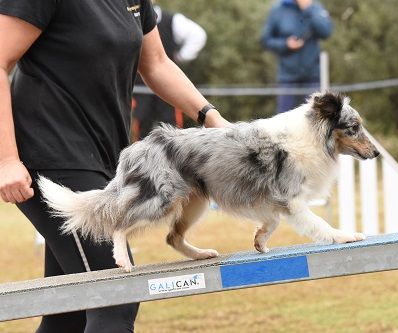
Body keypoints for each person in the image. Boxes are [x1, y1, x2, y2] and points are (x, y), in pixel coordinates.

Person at [0, 0, 229, 332]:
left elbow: (157, 64)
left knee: (70, 314)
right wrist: (7, 159)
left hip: (104, 160)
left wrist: (211, 117)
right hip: (50, 156)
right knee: (116, 299)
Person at [133, 2, 207, 139]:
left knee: (172, 126)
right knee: (141, 122)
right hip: (140, 85)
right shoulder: (132, 16)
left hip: (167, 83)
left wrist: (179, 57)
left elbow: (198, 35)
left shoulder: (172, 20)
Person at [261, 0, 333, 113]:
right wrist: (285, 44)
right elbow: (266, 40)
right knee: (283, 121)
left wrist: (308, 8)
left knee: (314, 118)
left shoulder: (314, 7)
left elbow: (326, 31)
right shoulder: (278, 9)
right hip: (287, 78)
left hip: (312, 77)